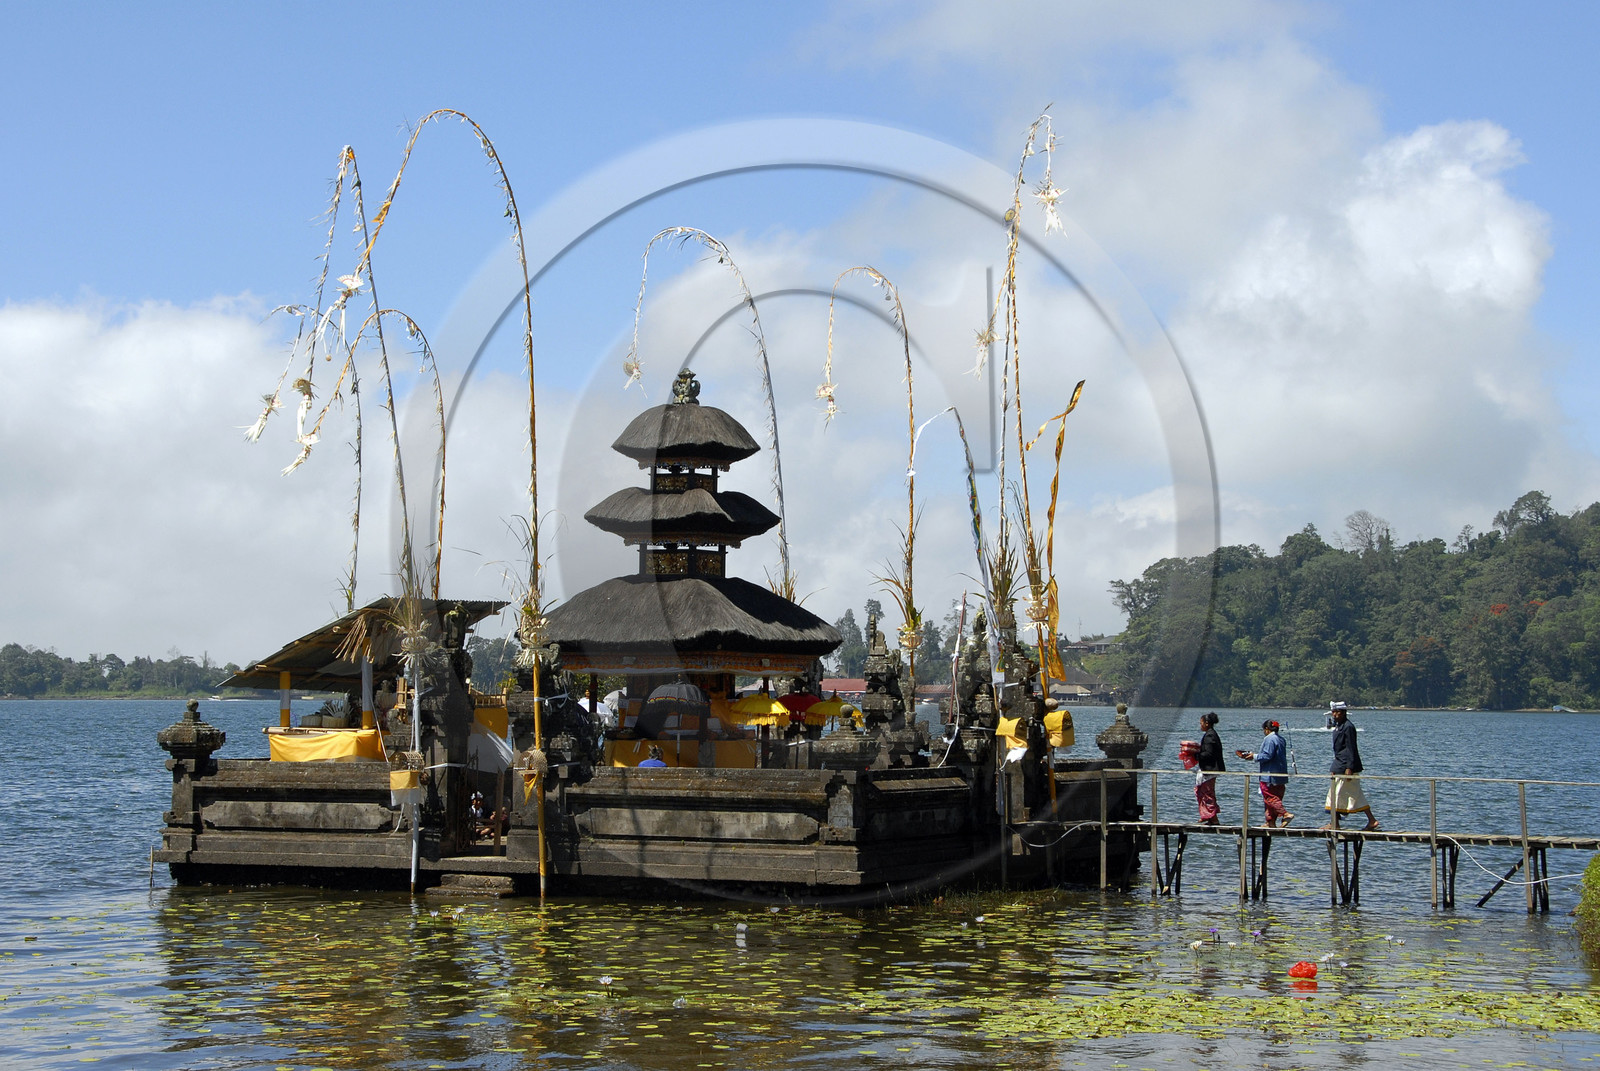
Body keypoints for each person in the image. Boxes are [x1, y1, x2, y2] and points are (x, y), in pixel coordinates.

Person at [1322, 701, 1379, 830]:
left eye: (1338, 712)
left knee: (1337, 794)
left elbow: (1351, 748)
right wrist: (1334, 767)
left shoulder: (1348, 727)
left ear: (1344, 713)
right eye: (1334, 712)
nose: (1335, 715)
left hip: (1346, 765)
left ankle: (1336, 823)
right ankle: (1337, 822)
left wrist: (1349, 767)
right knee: (1345, 794)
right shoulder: (1338, 726)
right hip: (1339, 763)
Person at [1237, 719, 1292, 827]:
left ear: (1266, 729)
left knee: (1269, 797)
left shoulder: (1269, 739)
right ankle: (1270, 822)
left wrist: (1254, 756)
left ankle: (1285, 814)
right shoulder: (1281, 739)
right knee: (1275, 798)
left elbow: (1267, 755)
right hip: (1281, 775)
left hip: (1269, 775)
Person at [1194, 712, 1224, 825]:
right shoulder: (1211, 734)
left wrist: (1196, 754)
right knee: (1203, 792)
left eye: (1201, 723)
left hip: (1210, 769)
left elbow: (1209, 753)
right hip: (1209, 769)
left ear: (1207, 723)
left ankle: (1212, 817)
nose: (1200, 725)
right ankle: (1208, 815)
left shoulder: (1210, 736)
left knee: (1207, 793)